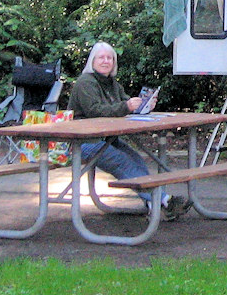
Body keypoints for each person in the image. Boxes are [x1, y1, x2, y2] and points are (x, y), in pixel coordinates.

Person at [67, 42, 190, 220]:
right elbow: (95, 111)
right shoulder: (85, 82)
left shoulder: (112, 84)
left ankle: (152, 204)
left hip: (104, 139)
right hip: (82, 142)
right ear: (92, 61)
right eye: (101, 57)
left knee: (136, 159)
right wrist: (126, 106)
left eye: (109, 58)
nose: (105, 61)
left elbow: (126, 105)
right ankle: (164, 200)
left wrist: (144, 105)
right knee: (122, 161)